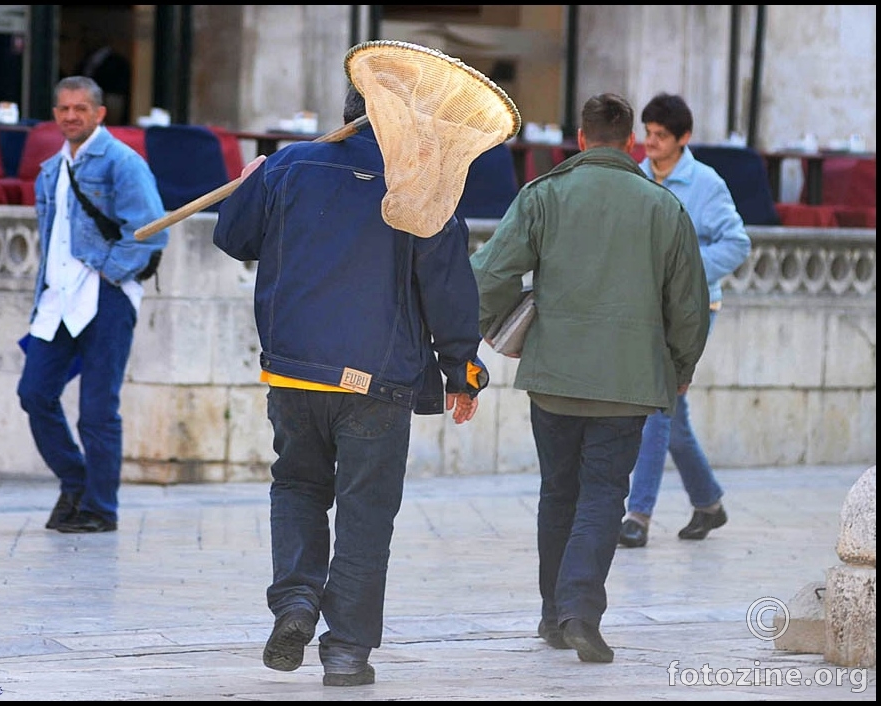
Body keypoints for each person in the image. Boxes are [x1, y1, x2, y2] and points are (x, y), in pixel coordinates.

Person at [212, 84, 488, 687]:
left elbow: (234, 238)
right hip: (376, 380)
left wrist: (251, 178)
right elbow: (446, 285)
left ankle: (295, 602)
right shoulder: (420, 182)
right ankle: (345, 654)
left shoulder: (288, 164)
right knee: (365, 515)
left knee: (297, 488)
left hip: (293, 370)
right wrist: (461, 370)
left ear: (346, 117)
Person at [469, 93, 710, 664]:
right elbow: (690, 307)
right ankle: (579, 609)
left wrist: (474, 339)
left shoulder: (543, 196)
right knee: (603, 494)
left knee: (558, 492)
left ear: (580, 138)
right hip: (626, 385)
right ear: (629, 143)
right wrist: (677, 369)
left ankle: (555, 616)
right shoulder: (663, 207)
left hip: (552, 377)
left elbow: (490, 275)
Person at [17, 76, 168, 534]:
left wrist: (107, 270)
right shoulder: (51, 169)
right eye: (63, 109)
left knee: (99, 409)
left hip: (105, 296)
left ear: (100, 113)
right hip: (58, 297)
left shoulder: (123, 162)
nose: (70, 116)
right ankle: (76, 481)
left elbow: (150, 231)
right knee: (35, 393)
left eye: (80, 108)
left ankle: (101, 508)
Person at [618, 93, 752, 549]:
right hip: (645, 313)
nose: (650, 144)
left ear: (684, 139)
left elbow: (736, 244)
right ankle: (708, 504)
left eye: (661, 137)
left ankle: (638, 515)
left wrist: (687, 275)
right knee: (670, 416)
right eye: (648, 134)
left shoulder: (707, 183)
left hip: (693, 313)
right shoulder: (634, 178)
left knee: (657, 405)